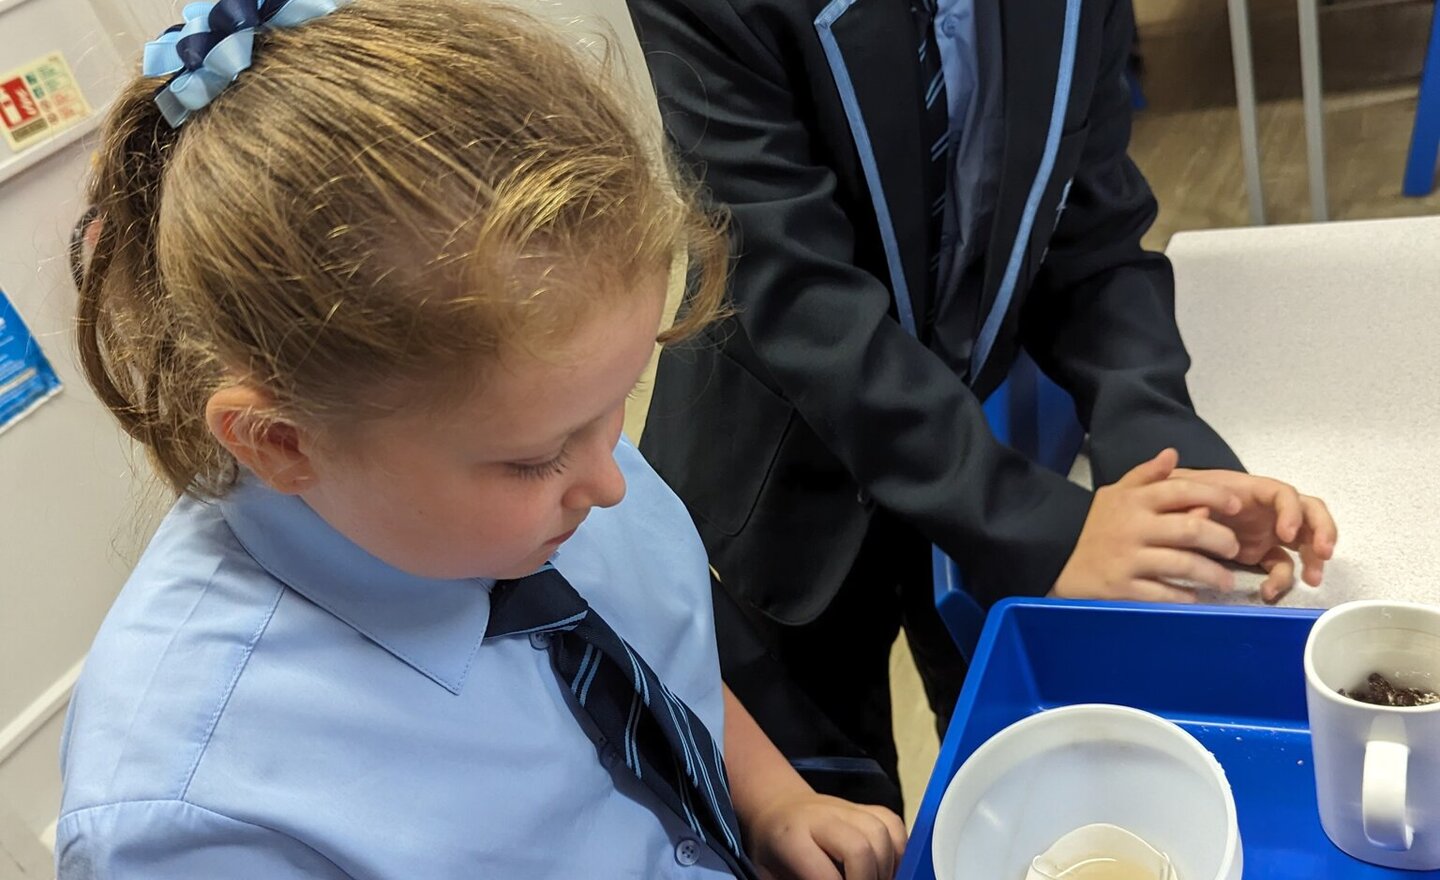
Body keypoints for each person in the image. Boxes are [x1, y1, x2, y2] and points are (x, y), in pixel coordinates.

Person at [55, 1, 907, 876]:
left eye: (619, 403)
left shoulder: (539, 448)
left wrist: (774, 801)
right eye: (538, 456)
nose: (610, 482)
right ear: (279, 441)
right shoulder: (194, 820)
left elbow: (650, 651)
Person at [625, 0, 1338, 812]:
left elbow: (1092, 235)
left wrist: (1166, 457)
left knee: (1004, 763)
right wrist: (1039, 525)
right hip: (783, 482)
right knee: (840, 810)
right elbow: (794, 291)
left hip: (979, 452)